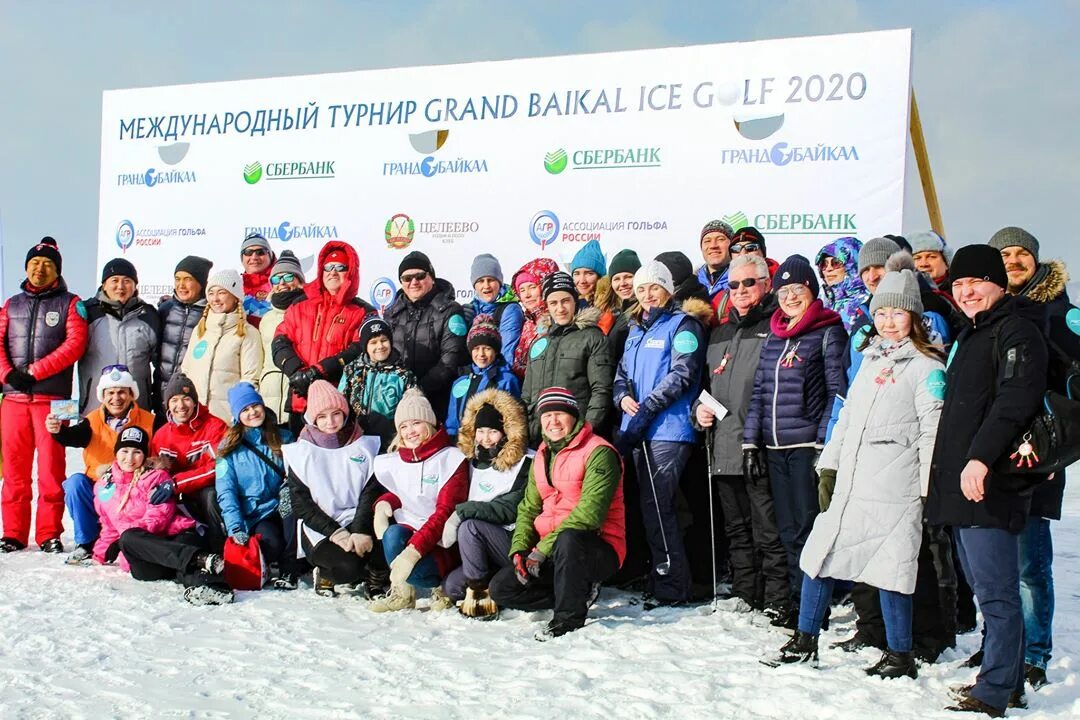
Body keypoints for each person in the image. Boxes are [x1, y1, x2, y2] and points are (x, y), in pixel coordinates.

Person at [767, 269, 945, 680]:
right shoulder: (870, 360)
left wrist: (925, 490)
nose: (887, 321)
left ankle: (900, 654)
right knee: (818, 556)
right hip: (851, 481)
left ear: (914, 317)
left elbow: (932, 429)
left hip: (894, 485)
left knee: (893, 569)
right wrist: (829, 464)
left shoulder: (926, 367)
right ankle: (805, 639)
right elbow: (847, 416)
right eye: (881, 313)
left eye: (897, 313)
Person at [924, 245, 1048, 716]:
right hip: (961, 485)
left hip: (990, 483)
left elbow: (1015, 401)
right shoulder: (971, 334)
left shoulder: (1017, 330)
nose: (966, 291)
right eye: (958, 285)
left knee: (998, 594)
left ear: (998, 283)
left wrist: (979, 459)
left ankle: (994, 692)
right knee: (985, 589)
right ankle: (1006, 681)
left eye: (975, 282)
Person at [989, 226, 1080, 689]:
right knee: (992, 558)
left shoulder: (1062, 313)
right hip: (991, 450)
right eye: (1005, 254)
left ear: (1037, 260)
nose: (1014, 261)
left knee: (1029, 563)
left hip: (1038, 454)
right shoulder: (989, 309)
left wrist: (1058, 453)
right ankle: (999, 646)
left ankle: (1035, 653)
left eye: (1022, 253)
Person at [743, 255, 846, 625]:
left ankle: (812, 606)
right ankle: (793, 600)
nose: (789, 297)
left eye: (797, 290)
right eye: (784, 291)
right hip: (774, 447)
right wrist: (751, 441)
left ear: (811, 291)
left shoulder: (828, 332)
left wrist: (824, 443)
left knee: (807, 528)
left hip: (805, 446)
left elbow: (837, 391)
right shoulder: (774, 334)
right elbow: (759, 392)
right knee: (786, 530)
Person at [489, 388, 625, 640]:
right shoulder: (541, 454)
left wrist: (541, 550)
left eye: (559, 414)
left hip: (596, 547)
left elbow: (590, 515)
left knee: (570, 538)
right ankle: (575, 591)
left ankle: (567, 618)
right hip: (551, 549)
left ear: (573, 416)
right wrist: (519, 550)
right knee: (501, 589)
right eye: (546, 415)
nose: (553, 421)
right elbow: (528, 507)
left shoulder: (599, 452)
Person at [694, 254, 789, 615]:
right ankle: (747, 592)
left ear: (766, 284)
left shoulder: (777, 325)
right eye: (734, 285)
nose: (741, 291)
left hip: (758, 445)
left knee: (768, 528)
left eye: (749, 283)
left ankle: (777, 598)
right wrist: (697, 411)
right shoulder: (718, 331)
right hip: (722, 445)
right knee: (736, 529)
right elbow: (704, 387)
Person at [613, 261, 710, 607]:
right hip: (637, 429)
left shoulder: (682, 325)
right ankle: (660, 576)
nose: (647, 295)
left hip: (668, 428)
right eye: (641, 289)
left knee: (658, 506)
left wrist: (648, 406)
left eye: (654, 287)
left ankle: (673, 585)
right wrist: (622, 396)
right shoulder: (636, 329)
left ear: (668, 290)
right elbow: (622, 373)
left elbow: (684, 374)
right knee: (647, 507)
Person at [0, 237, 88, 554]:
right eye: (35, 263)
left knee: (52, 470)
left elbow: (74, 346)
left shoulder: (72, 303)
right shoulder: (11, 304)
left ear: (57, 270)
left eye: (47, 264)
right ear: (26, 267)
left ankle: (49, 532)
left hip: (57, 400)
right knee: (14, 471)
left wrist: (33, 372)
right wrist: (8, 375)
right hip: (13, 400)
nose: (40, 269)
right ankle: (13, 533)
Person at [96, 425, 233, 606]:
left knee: (133, 539)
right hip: (146, 555)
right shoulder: (103, 485)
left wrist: (124, 539)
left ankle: (214, 587)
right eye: (125, 451)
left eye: (136, 452)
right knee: (132, 547)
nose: (129, 458)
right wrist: (101, 552)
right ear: (116, 452)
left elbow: (158, 518)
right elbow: (108, 525)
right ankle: (199, 559)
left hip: (175, 537)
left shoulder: (156, 477)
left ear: (145, 455)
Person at [364, 389, 469, 612]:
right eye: (403, 426)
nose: (410, 432)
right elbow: (404, 491)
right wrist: (384, 504)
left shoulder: (450, 459)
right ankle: (403, 592)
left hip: (443, 541)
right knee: (392, 534)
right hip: (412, 529)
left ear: (429, 423)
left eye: (416, 423)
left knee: (415, 562)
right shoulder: (398, 459)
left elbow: (444, 511)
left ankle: (439, 586)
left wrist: (412, 553)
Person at [283, 380, 384, 598]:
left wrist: (359, 529)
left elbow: (370, 493)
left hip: (357, 519)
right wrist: (336, 533)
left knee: (384, 545)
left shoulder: (364, 445)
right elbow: (302, 506)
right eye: (322, 416)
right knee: (348, 567)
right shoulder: (301, 453)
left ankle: (375, 580)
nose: (330, 422)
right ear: (313, 419)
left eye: (336, 413)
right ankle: (326, 573)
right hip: (322, 528)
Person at [440, 389, 532, 617]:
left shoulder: (525, 463)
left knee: (470, 525)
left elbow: (509, 508)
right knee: (450, 587)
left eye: (493, 432)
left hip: (510, 542)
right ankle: (486, 583)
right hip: (478, 552)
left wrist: (463, 512)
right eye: (481, 431)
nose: (486, 438)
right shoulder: (469, 462)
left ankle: (481, 594)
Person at [50, 366, 156, 563]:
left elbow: (159, 453)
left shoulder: (149, 420)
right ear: (103, 395)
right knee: (75, 483)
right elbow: (72, 437)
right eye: (111, 393)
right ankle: (86, 542)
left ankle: (131, 541)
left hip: (132, 491)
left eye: (122, 392)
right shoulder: (91, 421)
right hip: (101, 487)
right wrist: (57, 431)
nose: (116, 398)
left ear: (132, 393)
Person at [271, 241, 374, 434]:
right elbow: (279, 342)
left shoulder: (363, 311)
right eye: (328, 267)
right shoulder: (300, 304)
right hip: (300, 401)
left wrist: (318, 372)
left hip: (338, 408)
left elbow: (358, 350)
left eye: (340, 267)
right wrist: (297, 373)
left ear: (351, 272)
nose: (332, 272)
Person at [212, 382, 296, 589]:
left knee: (293, 506)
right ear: (237, 415)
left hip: (282, 508)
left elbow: (297, 474)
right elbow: (226, 492)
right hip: (257, 513)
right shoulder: (228, 448)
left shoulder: (284, 437)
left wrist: (289, 487)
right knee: (271, 545)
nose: (252, 413)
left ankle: (290, 569)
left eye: (255, 406)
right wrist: (236, 528)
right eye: (245, 409)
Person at [520, 271, 614, 444]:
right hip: (540, 437)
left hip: (578, 435)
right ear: (547, 305)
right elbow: (527, 396)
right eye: (553, 303)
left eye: (565, 301)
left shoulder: (593, 338)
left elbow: (601, 390)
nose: (560, 308)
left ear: (575, 301)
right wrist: (530, 430)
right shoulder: (539, 343)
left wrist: (587, 430)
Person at [383, 251, 468, 424]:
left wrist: (417, 391)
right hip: (396, 404)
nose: (413, 282)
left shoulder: (450, 311)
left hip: (437, 404)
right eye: (407, 278)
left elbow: (450, 361)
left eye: (420, 276)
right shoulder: (392, 314)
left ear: (432, 278)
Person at [149, 373, 229, 552]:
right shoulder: (161, 435)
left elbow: (219, 467)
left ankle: (220, 550)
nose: (181, 406)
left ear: (194, 401)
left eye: (186, 398)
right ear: (167, 404)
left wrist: (177, 483)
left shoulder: (215, 426)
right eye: (174, 400)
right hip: (176, 496)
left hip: (205, 491)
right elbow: (154, 473)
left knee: (211, 495)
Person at [78, 258, 161, 415]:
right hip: (94, 408)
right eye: (114, 280)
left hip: (137, 410)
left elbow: (161, 364)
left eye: (127, 281)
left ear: (135, 285)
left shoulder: (149, 315)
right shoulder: (88, 313)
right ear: (104, 285)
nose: (120, 286)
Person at [180, 269, 263, 424]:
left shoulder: (247, 333)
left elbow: (250, 380)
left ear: (235, 296)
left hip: (226, 420)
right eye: (211, 293)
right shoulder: (200, 330)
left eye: (222, 293)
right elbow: (186, 370)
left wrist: (239, 415)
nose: (215, 299)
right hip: (196, 419)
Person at [339, 317, 418, 450]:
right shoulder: (352, 371)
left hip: (389, 442)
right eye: (373, 342)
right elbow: (341, 403)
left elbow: (412, 410)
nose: (380, 346)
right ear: (365, 346)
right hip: (356, 441)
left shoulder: (403, 374)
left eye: (384, 340)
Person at [445, 315, 521, 439]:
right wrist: (452, 438)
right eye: (476, 349)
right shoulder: (461, 381)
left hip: (491, 444)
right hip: (463, 445)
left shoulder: (506, 380)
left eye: (487, 348)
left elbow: (514, 420)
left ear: (496, 351)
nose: (481, 354)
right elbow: (452, 419)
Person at [155, 255, 212, 417]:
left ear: (201, 283)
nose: (181, 285)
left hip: (192, 399)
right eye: (177, 279)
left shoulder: (210, 313)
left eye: (188, 279)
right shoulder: (165, 310)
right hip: (162, 396)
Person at [258, 250, 306, 427]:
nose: (282, 284)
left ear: (300, 281)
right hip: (268, 396)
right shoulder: (266, 319)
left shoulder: (308, 311)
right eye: (276, 280)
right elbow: (260, 360)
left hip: (296, 392)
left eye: (288, 277)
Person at [463, 253, 525, 369]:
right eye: (481, 281)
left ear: (499, 282)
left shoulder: (510, 309)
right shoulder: (470, 309)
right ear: (474, 285)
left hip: (496, 377)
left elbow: (507, 353)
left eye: (490, 280)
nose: (486, 286)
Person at [712, 227, 780, 325]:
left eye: (751, 247)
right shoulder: (722, 297)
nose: (743, 253)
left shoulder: (783, 286)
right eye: (736, 249)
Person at [509, 257, 560, 380]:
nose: (527, 295)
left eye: (532, 287)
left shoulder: (558, 319)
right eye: (522, 290)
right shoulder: (528, 322)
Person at [815, 237, 870, 333]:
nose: (828, 269)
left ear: (852, 266)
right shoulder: (820, 301)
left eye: (835, 263)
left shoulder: (867, 302)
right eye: (824, 264)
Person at [570, 239, 618, 335]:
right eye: (577, 273)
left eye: (589, 273)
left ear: (600, 277)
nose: (582, 280)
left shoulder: (610, 307)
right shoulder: (571, 304)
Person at [605, 249, 643, 360]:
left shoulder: (644, 312)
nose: (622, 283)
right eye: (616, 279)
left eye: (628, 277)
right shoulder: (613, 312)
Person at [239, 233, 277, 327]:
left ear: (270, 256)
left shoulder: (281, 281)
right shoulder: (236, 284)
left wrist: (245, 304)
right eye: (248, 252)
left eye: (260, 252)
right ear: (242, 258)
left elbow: (280, 314)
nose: (254, 257)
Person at [696, 219, 734, 300]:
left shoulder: (742, 283)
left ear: (732, 245)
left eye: (720, 239)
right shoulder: (692, 282)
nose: (713, 246)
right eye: (707, 241)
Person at [910, 230, 953, 295]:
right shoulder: (902, 294)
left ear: (946, 263)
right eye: (917, 258)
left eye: (931, 257)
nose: (924, 264)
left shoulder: (959, 295)